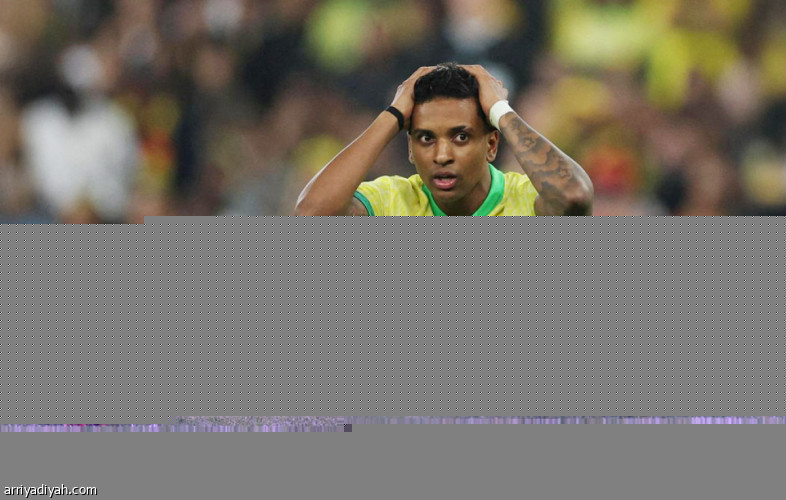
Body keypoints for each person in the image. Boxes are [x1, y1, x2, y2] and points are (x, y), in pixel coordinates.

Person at [295, 63, 593, 215]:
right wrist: (393, 114)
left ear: (491, 145)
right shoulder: (392, 200)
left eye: (461, 137)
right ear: (410, 148)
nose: (442, 156)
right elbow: (311, 213)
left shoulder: (525, 199)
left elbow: (574, 197)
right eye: (426, 138)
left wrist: (500, 110)